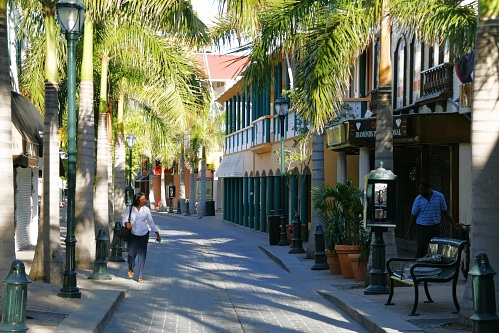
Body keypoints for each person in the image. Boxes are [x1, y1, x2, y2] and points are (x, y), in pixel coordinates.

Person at [406, 180, 456, 258]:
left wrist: (454, 223)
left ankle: (433, 265)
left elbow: (445, 212)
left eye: (422, 190)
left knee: (435, 248)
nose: (420, 192)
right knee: (421, 248)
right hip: (422, 227)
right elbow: (413, 215)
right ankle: (418, 265)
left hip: (434, 226)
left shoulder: (439, 196)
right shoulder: (418, 199)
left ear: (428, 189)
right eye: (419, 190)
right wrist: (409, 230)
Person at [123, 192, 161, 282]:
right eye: (143, 199)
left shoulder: (146, 210)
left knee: (142, 255)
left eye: (145, 199)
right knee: (131, 254)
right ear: (137, 200)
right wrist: (126, 223)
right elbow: (124, 219)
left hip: (144, 234)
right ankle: (131, 268)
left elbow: (151, 222)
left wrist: (157, 233)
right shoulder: (130, 208)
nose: (145, 201)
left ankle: (140, 276)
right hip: (133, 234)